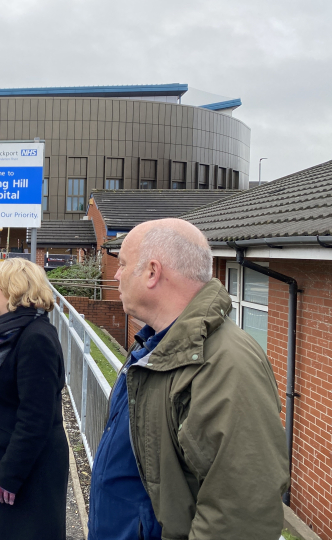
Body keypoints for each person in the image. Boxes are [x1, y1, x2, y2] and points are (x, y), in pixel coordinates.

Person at [88, 218, 290, 540]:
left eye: (123, 264)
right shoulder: (155, 344)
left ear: (153, 272)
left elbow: (240, 517)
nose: (116, 275)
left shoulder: (225, 366)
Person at [0, 257, 68, 540]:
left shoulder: (36, 337)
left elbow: (36, 416)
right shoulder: (10, 331)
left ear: (14, 291)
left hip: (25, 470)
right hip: (4, 456)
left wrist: (10, 475)